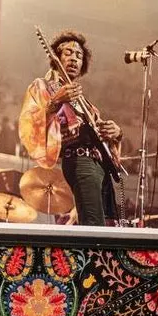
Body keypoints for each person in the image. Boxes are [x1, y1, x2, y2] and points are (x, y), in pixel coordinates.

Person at [18, 30, 122, 226]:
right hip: (80, 160)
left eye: (79, 56)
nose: (74, 58)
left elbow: (106, 144)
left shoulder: (88, 106)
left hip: (101, 167)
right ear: (56, 58)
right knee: (93, 224)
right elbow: (29, 122)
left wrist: (116, 134)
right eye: (68, 53)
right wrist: (54, 102)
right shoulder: (43, 86)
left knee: (108, 225)